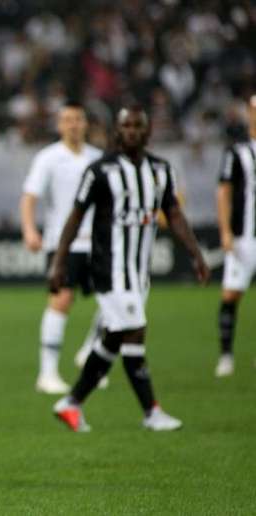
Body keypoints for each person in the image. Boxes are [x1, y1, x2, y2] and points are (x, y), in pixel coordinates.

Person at [49, 105, 210, 432]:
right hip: (109, 269)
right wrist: (59, 262)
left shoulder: (161, 171)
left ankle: (72, 403)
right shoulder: (100, 171)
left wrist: (196, 254)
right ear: (117, 131)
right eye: (127, 126)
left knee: (116, 336)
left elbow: (174, 215)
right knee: (134, 329)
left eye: (139, 126)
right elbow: (75, 217)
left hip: (138, 272)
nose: (133, 131)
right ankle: (152, 411)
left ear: (148, 132)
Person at [20, 102, 104, 394]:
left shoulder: (98, 158)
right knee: (61, 301)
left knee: (115, 300)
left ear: (86, 123)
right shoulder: (49, 158)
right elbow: (30, 196)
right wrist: (30, 229)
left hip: (97, 243)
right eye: (67, 119)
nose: (73, 124)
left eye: (78, 119)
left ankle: (91, 353)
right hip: (63, 243)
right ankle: (47, 373)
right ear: (59, 125)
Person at [214, 94, 256, 377]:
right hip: (244, 235)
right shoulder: (237, 151)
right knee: (231, 294)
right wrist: (226, 231)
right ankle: (226, 355)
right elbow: (224, 192)